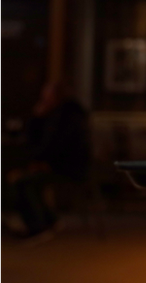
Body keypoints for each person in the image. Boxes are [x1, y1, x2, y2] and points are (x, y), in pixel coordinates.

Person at [7, 81, 91, 239]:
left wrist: (46, 164)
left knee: (23, 183)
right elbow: (38, 140)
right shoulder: (54, 114)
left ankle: (38, 226)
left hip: (68, 168)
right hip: (57, 164)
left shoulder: (68, 116)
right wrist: (37, 118)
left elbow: (61, 146)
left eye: (47, 94)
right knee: (20, 179)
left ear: (56, 96)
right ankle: (49, 220)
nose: (43, 98)